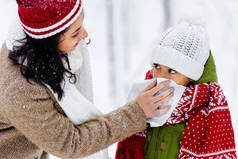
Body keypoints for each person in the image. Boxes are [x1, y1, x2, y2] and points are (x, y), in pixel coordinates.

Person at [0, 0, 174, 159]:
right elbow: (70, 144)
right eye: (75, 33)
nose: (85, 34)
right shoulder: (21, 89)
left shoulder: (31, 36)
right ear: (49, 42)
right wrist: (137, 112)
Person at [115, 20, 237, 159]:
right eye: (157, 66)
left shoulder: (207, 115)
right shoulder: (143, 102)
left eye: (172, 71)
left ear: (192, 76)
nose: (161, 77)